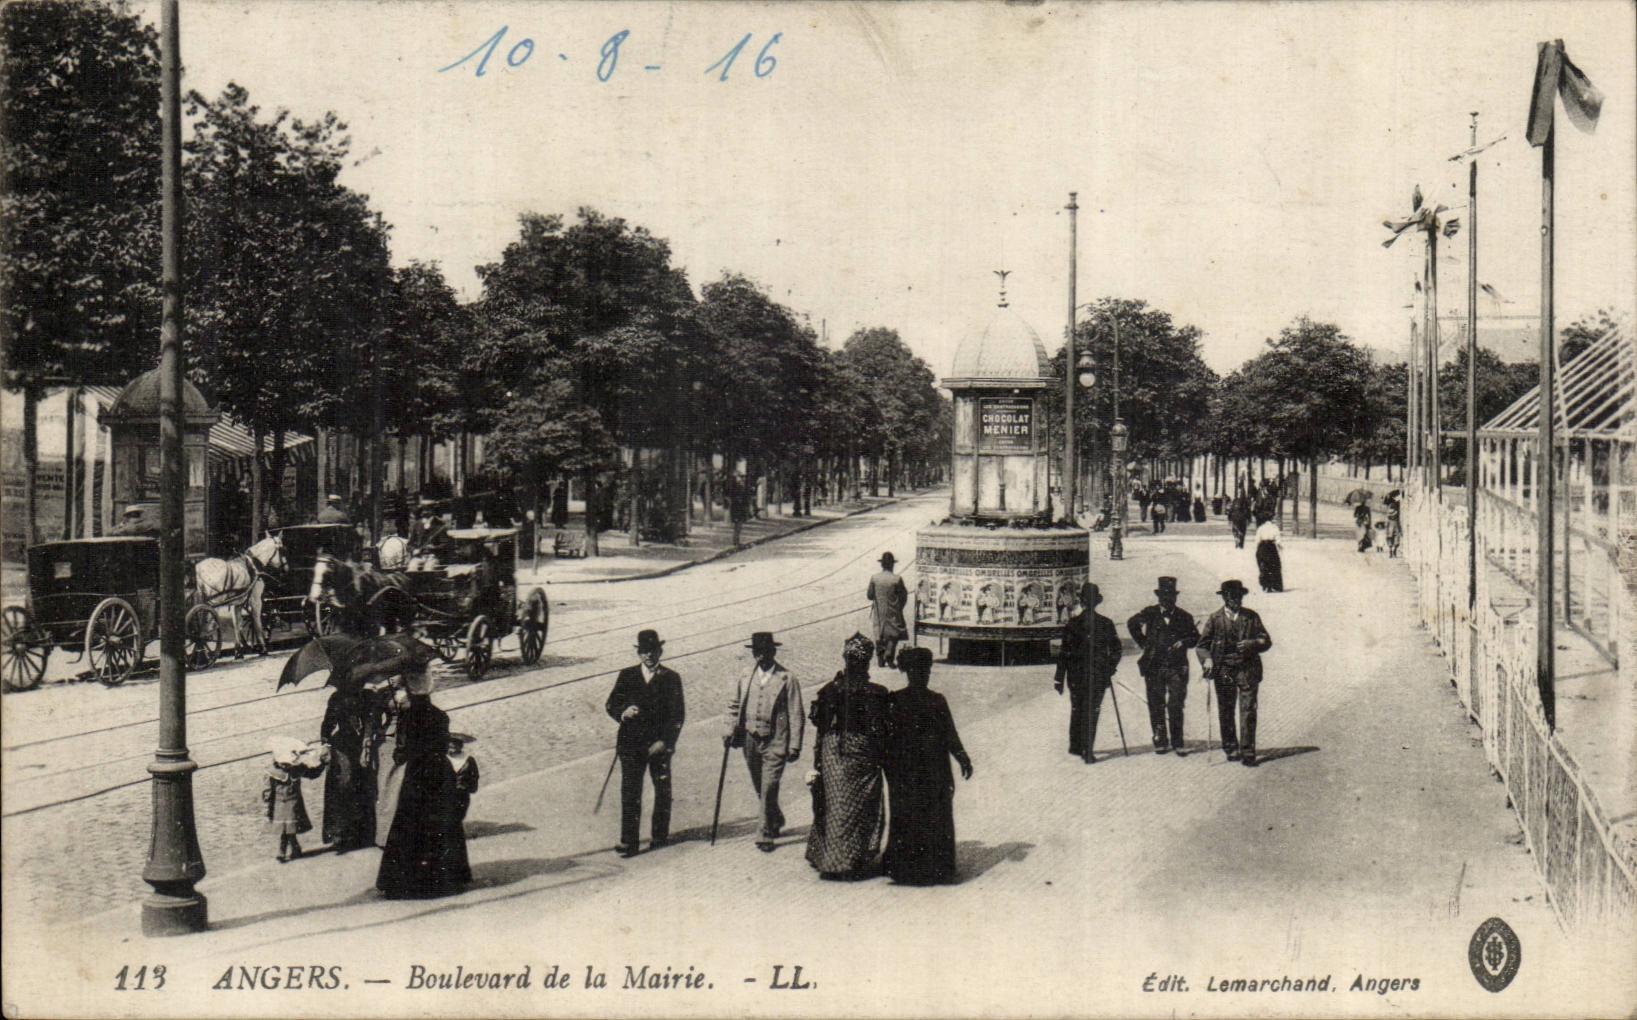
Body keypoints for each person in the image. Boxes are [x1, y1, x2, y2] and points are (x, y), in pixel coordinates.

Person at [377, 663, 472, 898]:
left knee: (412, 822)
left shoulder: (408, 717)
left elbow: (402, 754)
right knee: (442, 823)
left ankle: (410, 880)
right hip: (440, 771)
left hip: (418, 774)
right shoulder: (441, 715)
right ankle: (446, 877)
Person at [884, 647, 973, 885]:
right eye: (919, 671)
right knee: (929, 816)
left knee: (914, 816)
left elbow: (949, 734)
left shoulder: (906, 700)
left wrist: (962, 756)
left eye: (926, 671)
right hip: (926, 771)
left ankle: (911, 869)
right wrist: (961, 757)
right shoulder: (926, 701)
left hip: (916, 772)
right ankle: (930, 869)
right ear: (910, 672)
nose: (923, 675)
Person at [806, 633, 891, 880]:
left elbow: (820, 731)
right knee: (859, 806)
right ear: (867, 662)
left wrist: (817, 761)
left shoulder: (830, 690)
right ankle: (851, 860)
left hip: (832, 753)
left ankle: (827, 857)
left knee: (832, 805)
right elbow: (882, 731)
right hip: (862, 755)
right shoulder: (876, 693)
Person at [605, 630, 685, 857]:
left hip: (658, 744)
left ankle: (659, 836)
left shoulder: (671, 678)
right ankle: (628, 841)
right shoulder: (627, 675)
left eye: (653, 651)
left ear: (660, 652)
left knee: (662, 790)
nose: (649, 655)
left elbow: (677, 715)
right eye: (644, 652)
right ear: (639, 654)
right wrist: (623, 712)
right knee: (630, 792)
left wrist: (666, 742)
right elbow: (611, 703)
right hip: (630, 745)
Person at [724, 632, 804, 852]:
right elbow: (734, 705)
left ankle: (765, 834)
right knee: (760, 785)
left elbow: (796, 713)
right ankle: (775, 816)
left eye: (765, 652)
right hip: (750, 737)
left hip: (776, 739)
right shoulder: (745, 675)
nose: (760, 657)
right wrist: (728, 729)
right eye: (757, 652)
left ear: (773, 651)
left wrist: (795, 744)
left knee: (769, 785)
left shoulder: (787, 678)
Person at [1195, 579, 1273, 766]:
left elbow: (1266, 640)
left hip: (1247, 669)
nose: (1235, 600)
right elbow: (1202, 646)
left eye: (1238, 597)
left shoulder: (1251, 617)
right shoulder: (1215, 619)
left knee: (1248, 710)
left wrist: (1252, 644)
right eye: (1231, 597)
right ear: (1224, 598)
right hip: (1224, 669)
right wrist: (1207, 660)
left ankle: (1248, 752)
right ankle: (1230, 747)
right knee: (1226, 709)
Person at [1127, 576, 1200, 756]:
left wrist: (1183, 642)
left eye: (1170, 597)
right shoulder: (1150, 613)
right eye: (1163, 597)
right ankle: (1160, 739)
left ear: (1175, 598)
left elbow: (1195, 638)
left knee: (1176, 703)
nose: (1167, 600)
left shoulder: (1185, 616)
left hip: (1177, 666)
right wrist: (1143, 642)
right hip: (1154, 665)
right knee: (1155, 703)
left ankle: (1178, 741)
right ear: (1159, 597)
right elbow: (1132, 623)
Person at [1054, 582, 1122, 763]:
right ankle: (1086, 749)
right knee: (1092, 711)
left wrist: (1059, 679)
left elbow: (1064, 654)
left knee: (1079, 709)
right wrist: (1109, 667)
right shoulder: (1106, 623)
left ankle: (1079, 747)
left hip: (1077, 676)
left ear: (1082, 602)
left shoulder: (1073, 624)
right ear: (1096, 602)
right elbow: (1117, 650)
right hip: (1098, 675)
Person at [320, 683, 378, 852]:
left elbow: (370, 720)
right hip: (343, 745)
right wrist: (325, 743)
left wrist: (366, 744)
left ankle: (364, 833)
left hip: (362, 745)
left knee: (365, 784)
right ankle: (340, 833)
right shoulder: (336, 698)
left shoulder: (368, 696)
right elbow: (328, 723)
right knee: (343, 783)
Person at [264, 737, 326, 862]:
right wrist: (267, 799)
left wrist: (322, 764)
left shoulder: (296, 769)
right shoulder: (273, 772)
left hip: (293, 802)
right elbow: (268, 788)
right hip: (279, 804)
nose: (285, 766)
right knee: (286, 828)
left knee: (288, 828)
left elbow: (312, 773)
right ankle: (293, 848)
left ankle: (283, 850)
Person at [867, 552, 909, 669]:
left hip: (879, 611)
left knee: (879, 632)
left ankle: (880, 658)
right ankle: (889, 656)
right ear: (892, 565)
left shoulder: (874, 578)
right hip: (893, 610)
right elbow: (904, 596)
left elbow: (870, 595)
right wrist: (899, 607)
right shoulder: (897, 579)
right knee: (893, 633)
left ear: (882, 565)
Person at [448, 732, 479, 823]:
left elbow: (474, 777)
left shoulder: (468, 760)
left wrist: (465, 786)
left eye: (455, 744)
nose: (451, 747)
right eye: (449, 744)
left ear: (460, 746)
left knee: (458, 816)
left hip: (461, 795)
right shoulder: (443, 759)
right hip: (445, 794)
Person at [1254, 516, 1284, 592]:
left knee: (1264, 566)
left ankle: (1265, 585)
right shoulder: (1274, 528)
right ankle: (1274, 585)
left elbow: (1257, 540)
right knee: (1274, 566)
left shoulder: (1261, 528)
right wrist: (1280, 546)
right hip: (1271, 547)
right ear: (1271, 520)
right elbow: (1278, 539)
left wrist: (1257, 549)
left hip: (1262, 546)